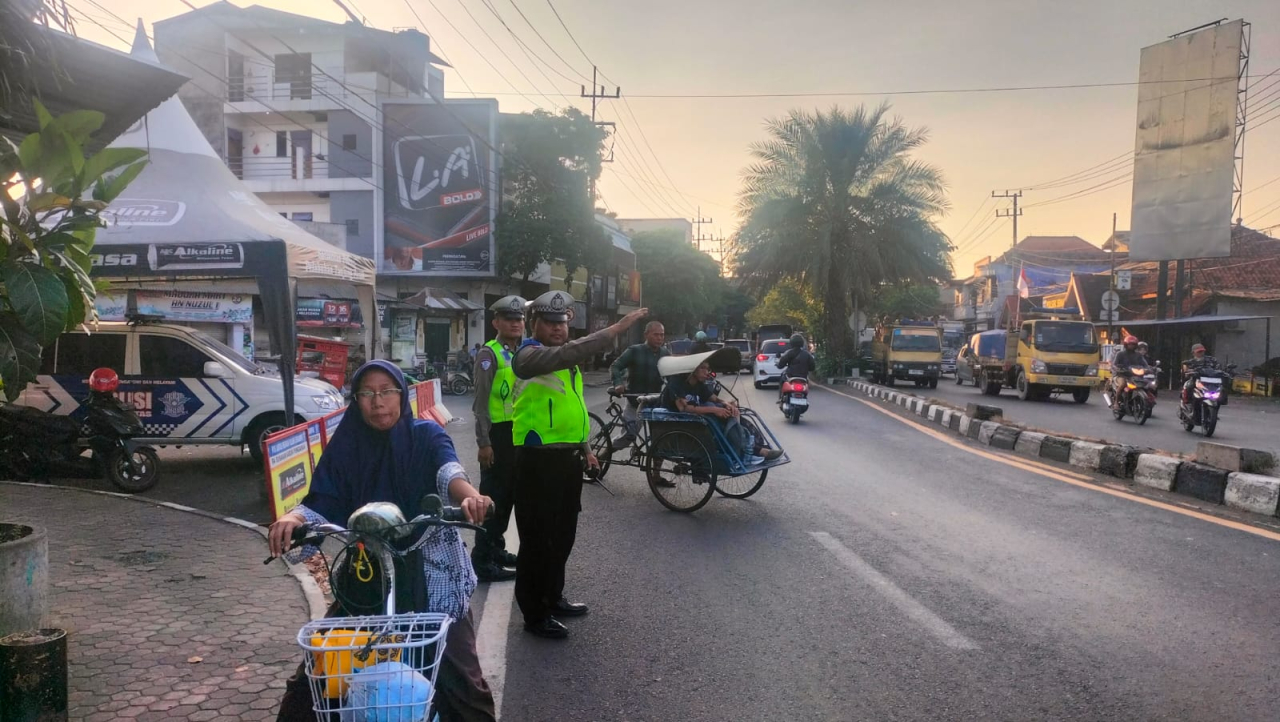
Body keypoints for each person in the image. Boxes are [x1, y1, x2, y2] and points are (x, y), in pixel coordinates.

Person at [269, 360, 497, 722]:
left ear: (401, 395)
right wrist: (294, 519)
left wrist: (471, 497)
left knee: (463, 684)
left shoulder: (426, 436)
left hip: (432, 573)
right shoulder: (347, 446)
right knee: (314, 680)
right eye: (367, 393)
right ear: (356, 400)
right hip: (366, 574)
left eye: (387, 391)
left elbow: (448, 472)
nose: (378, 401)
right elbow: (322, 500)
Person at [510, 292, 648, 639]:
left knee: (562, 535)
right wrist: (614, 329)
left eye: (562, 323)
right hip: (537, 460)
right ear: (534, 324)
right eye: (550, 323)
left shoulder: (565, 362)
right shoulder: (528, 356)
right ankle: (534, 614)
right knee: (538, 540)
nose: (558, 329)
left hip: (567, 459)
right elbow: (569, 352)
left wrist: (587, 449)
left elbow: (574, 408)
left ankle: (553, 597)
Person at [469, 296, 526, 583]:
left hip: (516, 432)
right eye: (509, 319)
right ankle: (482, 559)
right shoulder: (488, 355)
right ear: (496, 323)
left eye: (519, 319)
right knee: (493, 497)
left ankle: (496, 548)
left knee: (509, 496)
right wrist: (484, 442)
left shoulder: (522, 352)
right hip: (496, 434)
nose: (515, 324)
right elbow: (480, 403)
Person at [663, 360, 784, 465]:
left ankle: (754, 448)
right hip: (678, 420)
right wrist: (715, 410)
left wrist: (727, 404)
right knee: (714, 414)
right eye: (702, 368)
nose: (707, 372)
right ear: (693, 369)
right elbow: (684, 409)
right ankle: (754, 451)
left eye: (708, 369)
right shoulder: (677, 382)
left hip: (697, 420)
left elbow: (715, 399)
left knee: (730, 412)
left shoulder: (699, 384)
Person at [608, 320, 670, 452]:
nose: (659, 338)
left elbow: (671, 376)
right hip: (635, 401)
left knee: (660, 438)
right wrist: (618, 383)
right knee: (629, 436)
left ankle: (655, 465)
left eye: (662, 335)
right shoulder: (635, 351)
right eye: (656, 334)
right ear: (646, 335)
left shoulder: (665, 353)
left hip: (654, 401)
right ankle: (604, 454)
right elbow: (615, 366)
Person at [1109, 335, 1150, 408]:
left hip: (1134, 376)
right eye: (1130, 344)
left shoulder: (1139, 355)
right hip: (1121, 375)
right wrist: (1117, 368)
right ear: (1126, 345)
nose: (1131, 346)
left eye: (1133, 344)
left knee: (1146, 384)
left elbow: (1145, 365)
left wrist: (1148, 369)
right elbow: (1114, 364)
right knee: (1123, 384)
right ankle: (1116, 403)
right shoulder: (1120, 354)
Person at [775, 333, 817, 401]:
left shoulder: (788, 353)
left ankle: (781, 398)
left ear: (791, 343)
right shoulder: (807, 354)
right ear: (802, 343)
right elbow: (812, 367)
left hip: (790, 376)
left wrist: (778, 364)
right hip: (803, 377)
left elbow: (780, 365)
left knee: (782, 376)